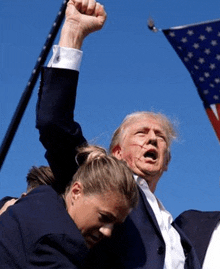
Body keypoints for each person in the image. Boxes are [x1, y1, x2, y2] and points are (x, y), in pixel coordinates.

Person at [36, 0, 201, 268]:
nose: (152, 139)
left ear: (167, 161)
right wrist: (73, 33)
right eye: (141, 133)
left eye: (160, 137)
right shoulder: (99, 181)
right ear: (117, 152)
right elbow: (54, 124)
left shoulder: (177, 231)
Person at [0, 145, 138, 268]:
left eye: (115, 225)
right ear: (76, 191)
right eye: (104, 217)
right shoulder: (61, 245)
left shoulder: (40, 196)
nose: (108, 232)